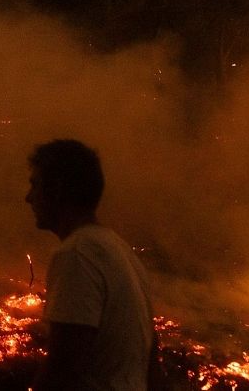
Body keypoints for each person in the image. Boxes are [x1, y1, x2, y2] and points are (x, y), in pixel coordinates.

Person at [25, 139, 157, 390]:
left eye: (35, 185)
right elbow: (151, 361)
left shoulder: (76, 254)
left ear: (57, 189)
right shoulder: (120, 251)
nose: (28, 198)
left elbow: (63, 369)